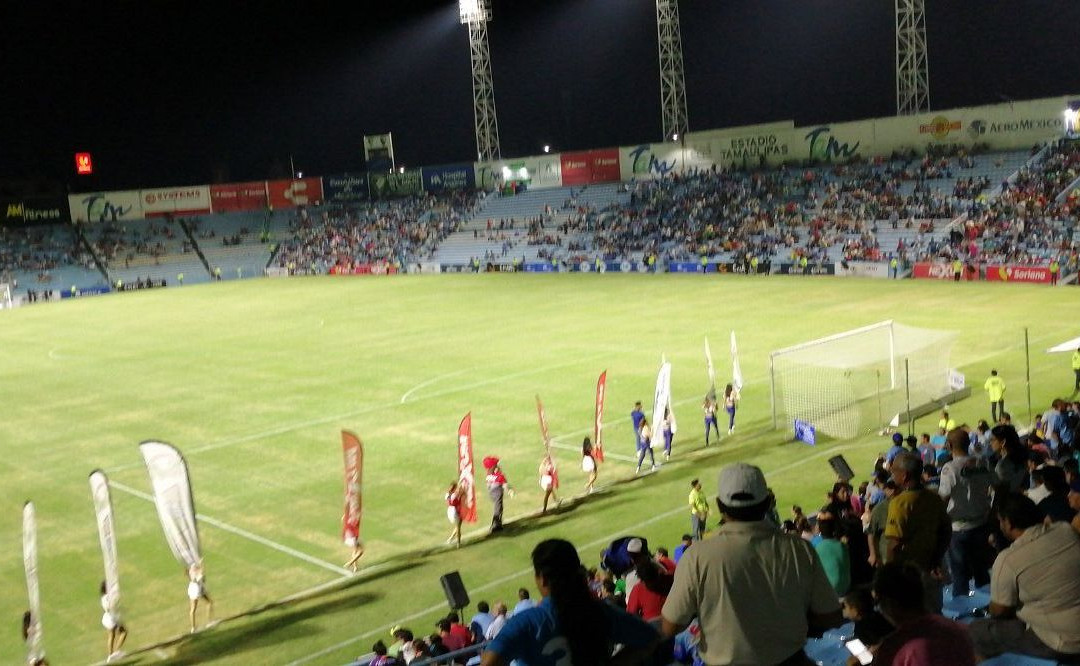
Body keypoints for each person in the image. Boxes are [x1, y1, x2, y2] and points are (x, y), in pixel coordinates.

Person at [661, 463, 843, 665]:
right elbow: (831, 615)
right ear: (767, 503)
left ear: (720, 506)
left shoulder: (696, 557)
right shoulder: (799, 549)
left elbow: (669, 626)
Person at [481, 539, 660, 666]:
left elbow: (489, 662)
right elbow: (650, 638)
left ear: (542, 579)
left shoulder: (526, 623)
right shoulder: (600, 612)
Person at [969, 493, 1080, 661]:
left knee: (978, 630)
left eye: (1000, 521)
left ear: (1008, 522)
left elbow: (999, 611)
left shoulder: (1008, 559)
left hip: (1061, 642)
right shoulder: (1065, 530)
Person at [872, 562, 977, 665]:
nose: (879, 609)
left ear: (890, 604)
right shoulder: (961, 630)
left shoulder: (892, 651)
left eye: (877, 602)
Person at [884, 453, 951, 613]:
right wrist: (936, 559)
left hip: (909, 575)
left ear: (905, 475)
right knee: (935, 616)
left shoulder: (899, 504)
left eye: (894, 471)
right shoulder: (934, 498)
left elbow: (894, 544)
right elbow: (946, 531)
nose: (892, 475)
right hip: (931, 570)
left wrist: (889, 575)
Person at [938, 427, 994, 598]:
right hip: (981, 524)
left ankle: (964, 616)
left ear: (948, 445)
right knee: (981, 573)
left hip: (958, 529)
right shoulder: (982, 463)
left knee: (960, 576)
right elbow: (996, 486)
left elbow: (943, 498)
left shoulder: (950, 468)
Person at [814, 516, 850, 595]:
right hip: (846, 586)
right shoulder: (842, 545)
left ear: (820, 531)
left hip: (831, 591)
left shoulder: (818, 548)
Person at [99, 581, 127, 662]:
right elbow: (113, 606)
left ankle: (110, 655)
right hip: (112, 619)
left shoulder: (103, 598)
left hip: (107, 618)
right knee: (124, 632)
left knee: (111, 636)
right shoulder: (109, 598)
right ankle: (117, 651)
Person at [484, 457, 513, 533]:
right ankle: (495, 526)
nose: (497, 465)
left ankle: (497, 524)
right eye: (495, 465)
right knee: (498, 509)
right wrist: (510, 491)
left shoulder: (488, 475)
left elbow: (488, 484)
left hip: (491, 494)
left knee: (498, 508)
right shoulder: (500, 476)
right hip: (497, 494)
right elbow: (505, 485)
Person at [187, 562, 213, 633]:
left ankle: (193, 628)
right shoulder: (197, 570)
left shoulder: (191, 569)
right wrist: (202, 565)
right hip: (197, 588)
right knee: (209, 602)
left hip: (192, 588)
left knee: (193, 609)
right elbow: (202, 577)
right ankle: (209, 622)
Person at [446, 481, 464, 548]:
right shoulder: (455, 494)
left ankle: (450, 539)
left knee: (458, 526)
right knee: (458, 527)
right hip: (455, 511)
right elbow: (461, 495)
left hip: (449, 510)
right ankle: (458, 543)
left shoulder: (447, 494)